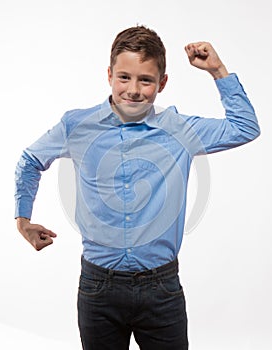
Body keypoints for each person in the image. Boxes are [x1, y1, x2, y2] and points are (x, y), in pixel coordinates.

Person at [15, 25, 260, 350]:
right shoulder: (77, 126)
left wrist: (217, 70)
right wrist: (23, 221)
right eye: (124, 77)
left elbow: (245, 127)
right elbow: (31, 160)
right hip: (97, 288)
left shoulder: (180, 130)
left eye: (145, 80)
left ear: (162, 83)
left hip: (162, 289)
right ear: (109, 75)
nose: (133, 89)